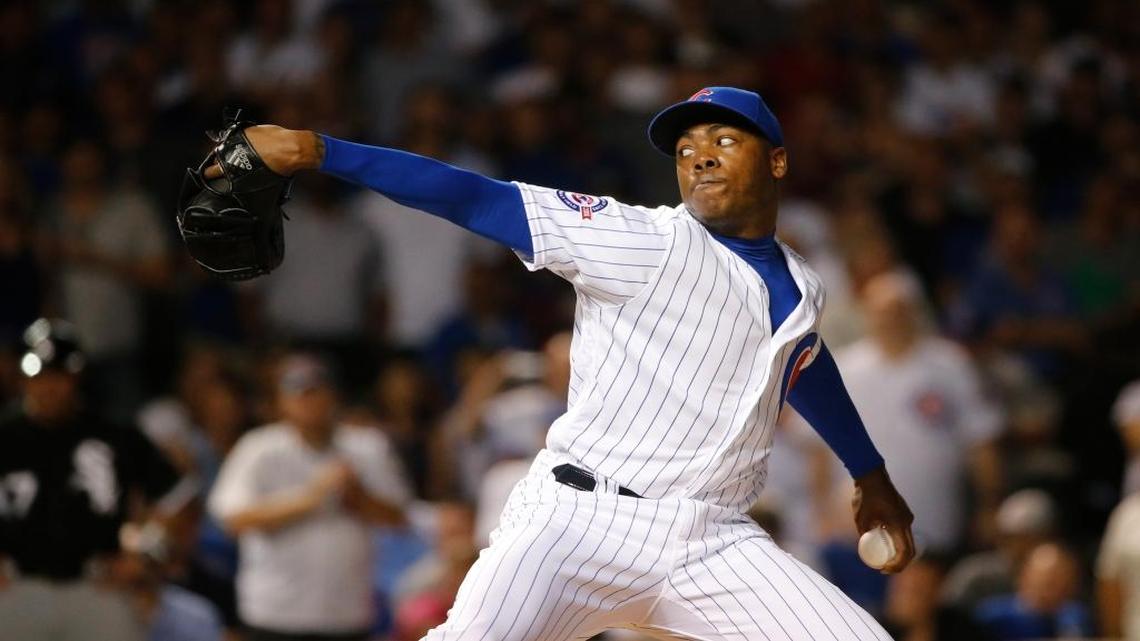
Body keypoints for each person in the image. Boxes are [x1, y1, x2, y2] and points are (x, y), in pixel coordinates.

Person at [207, 86, 914, 640]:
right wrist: (315, 148)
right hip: (580, 520)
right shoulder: (639, 239)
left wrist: (870, 470)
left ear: (778, 161)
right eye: (687, 146)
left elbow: (801, 358)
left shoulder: (801, 281)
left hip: (713, 538)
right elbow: (474, 196)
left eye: (725, 139)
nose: (700, 154)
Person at [0, 318, 192, 641]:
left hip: (97, 582)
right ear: (21, 378)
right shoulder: (5, 435)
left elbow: (180, 500)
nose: (48, 386)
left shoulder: (114, 433)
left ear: (77, 377)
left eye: (59, 375)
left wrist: (146, 554)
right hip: (16, 584)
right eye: (38, 375)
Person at [207, 353, 411, 641]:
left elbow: (401, 518)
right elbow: (232, 518)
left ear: (333, 395)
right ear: (282, 402)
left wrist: (359, 497)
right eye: (300, 395)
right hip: (274, 615)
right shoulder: (259, 448)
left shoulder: (367, 446)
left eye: (317, 392)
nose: (310, 403)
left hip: (346, 615)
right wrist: (311, 498)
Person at [835, 270, 1004, 552]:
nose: (890, 320)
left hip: (937, 517)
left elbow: (981, 439)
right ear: (865, 313)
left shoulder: (949, 364)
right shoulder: (845, 368)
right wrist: (822, 512)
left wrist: (989, 505)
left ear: (914, 312)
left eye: (898, 311)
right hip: (858, 523)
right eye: (881, 312)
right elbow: (815, 449)